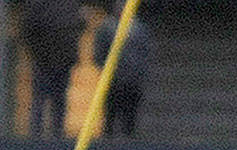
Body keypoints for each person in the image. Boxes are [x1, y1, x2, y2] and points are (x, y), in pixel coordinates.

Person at [19, 0, 82, 139]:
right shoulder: (38, 5)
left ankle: (56, 133)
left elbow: (76, 28)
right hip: (44, 59)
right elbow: (28, 29)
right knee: (41, 98)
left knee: (58, 99)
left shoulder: (69, 5)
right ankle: (36, 135)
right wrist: (36, 53)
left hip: (62, 59)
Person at [92, 0, 153, 138]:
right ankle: (108, 143)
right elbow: (99, 53)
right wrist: (106, 70)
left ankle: (128, 142)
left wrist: (139, 72)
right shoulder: (107, 28)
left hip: (132, 80)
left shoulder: (139, 29)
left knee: (130, 118)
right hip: (113, 81)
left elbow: (146, 53)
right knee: (110, 116)